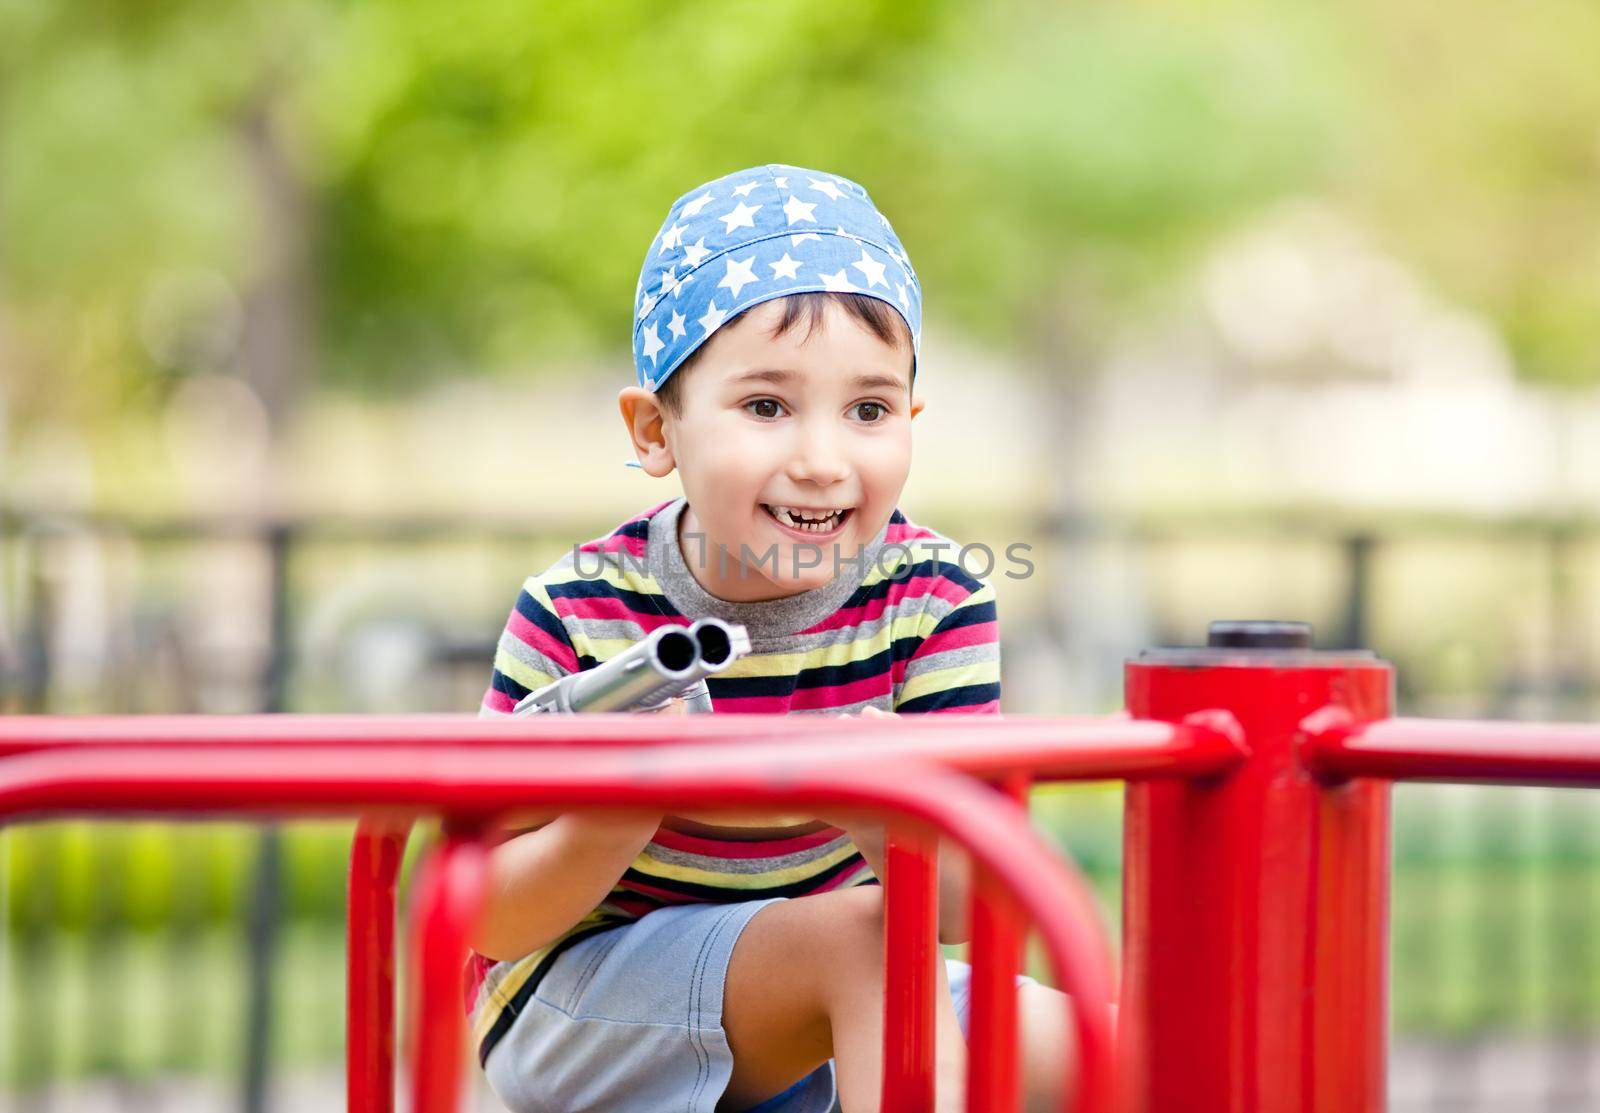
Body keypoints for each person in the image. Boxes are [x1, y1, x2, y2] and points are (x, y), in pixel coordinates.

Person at [471, 164, 1074, 1113]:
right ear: (655, 429)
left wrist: (886, 804)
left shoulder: (934, 598)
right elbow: (488, 913)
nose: (822, 460)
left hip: (845, 975)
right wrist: (618, 803)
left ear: (910, 421)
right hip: (582, 1004)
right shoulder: (582, 607)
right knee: (869, 941)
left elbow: (961, 905)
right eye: (766, 407)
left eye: (868, 411)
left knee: (1121, 1041)